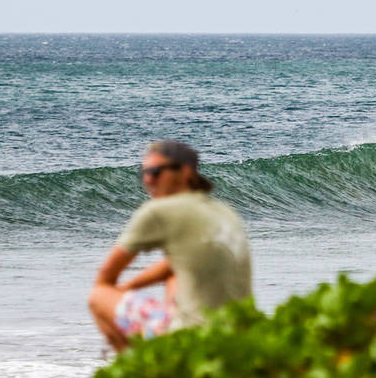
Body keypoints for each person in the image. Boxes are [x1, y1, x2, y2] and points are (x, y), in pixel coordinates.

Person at [87, 140, 252, 351]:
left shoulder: (158, 211)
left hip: (189, 337)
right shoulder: (223, 210)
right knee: (176, 276)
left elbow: (105, 276)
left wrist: (116, 291)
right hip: (235, 334)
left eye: (155, 172)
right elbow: (174, 264)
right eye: (143, 173)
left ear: (184, 172)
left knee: (98, 295)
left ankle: (136, 370)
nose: (147, 180)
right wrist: (129, 288)